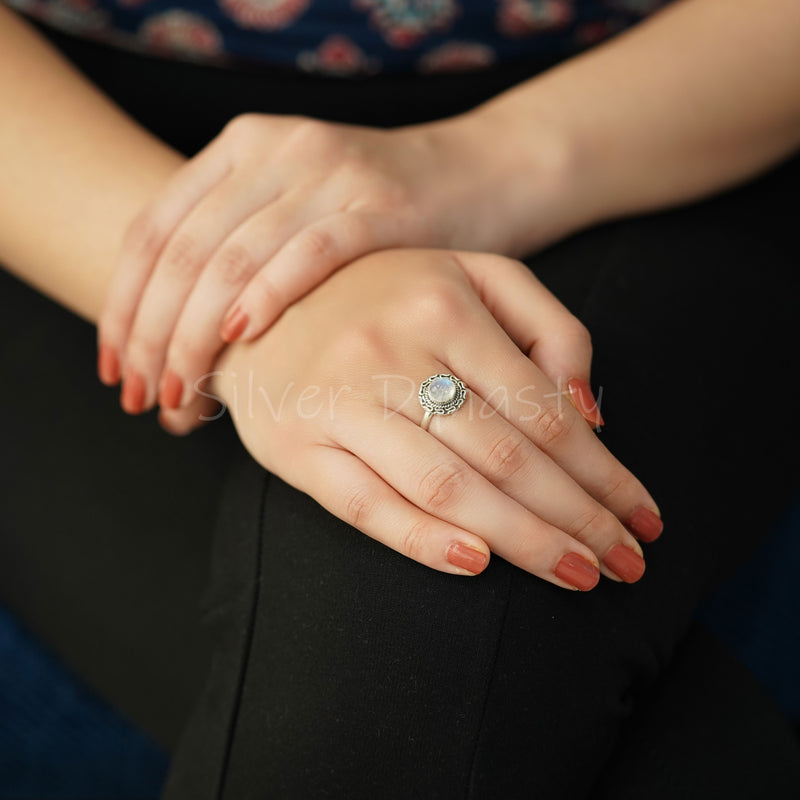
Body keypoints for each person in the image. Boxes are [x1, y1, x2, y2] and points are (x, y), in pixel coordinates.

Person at [0, 1, 798, 797]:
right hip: (60, 154)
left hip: (661, 109)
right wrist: (238, 295)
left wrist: (486, 160)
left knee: (464, 579)